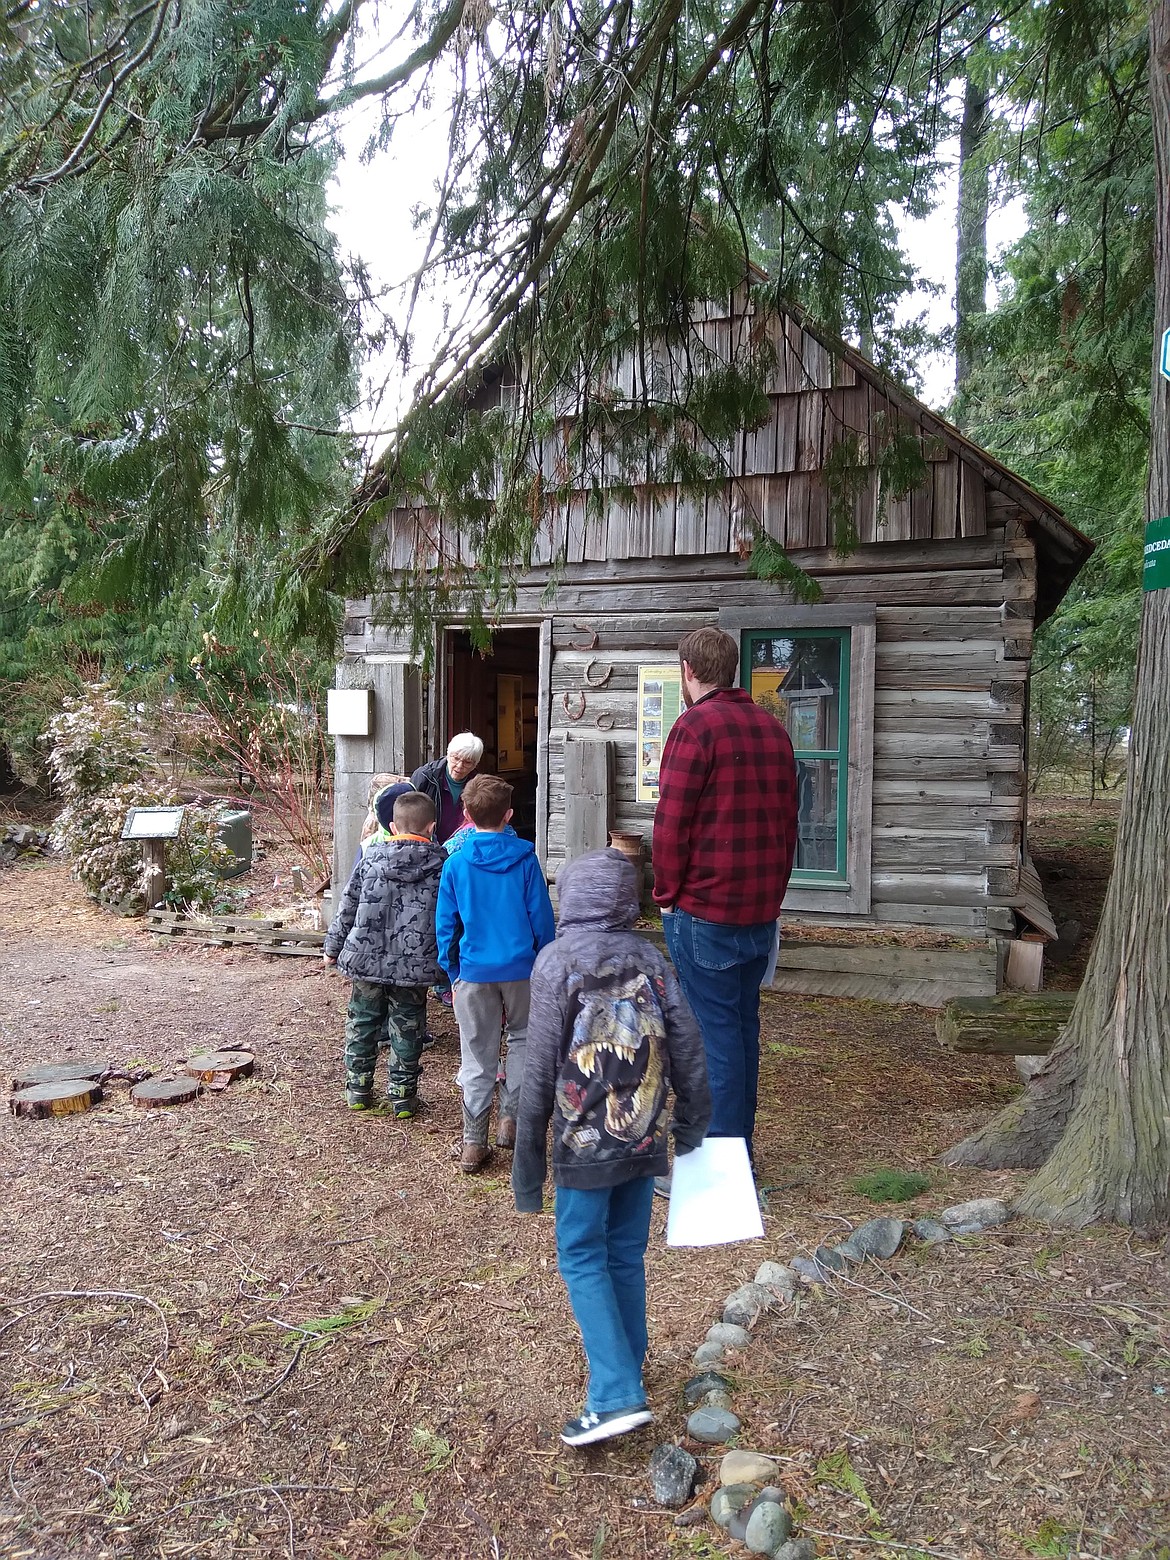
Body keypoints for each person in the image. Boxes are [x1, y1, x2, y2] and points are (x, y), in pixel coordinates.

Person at [512, 848, 710, 1447]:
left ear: (570, 897)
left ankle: (616, 1393)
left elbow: (538, 1070)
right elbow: (690, 1046)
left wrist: (529, 1164)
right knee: (624, 1254)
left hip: (584, 1145)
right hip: (645, 1135)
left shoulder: (556, 962)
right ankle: (628, 1363)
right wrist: (691, 1125)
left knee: (579, 1254)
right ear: (631, 897)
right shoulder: (652, 957)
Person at [652, 626, 798, 1169]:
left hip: (704, 910)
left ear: (687, 671)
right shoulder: (772, 729)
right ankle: (737, 1157)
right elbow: (790, 822)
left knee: (713, 1038)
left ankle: (719, 1168)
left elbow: (670, 825)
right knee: (739, 1032)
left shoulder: (693, 728)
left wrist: (665, 895)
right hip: (760, 909)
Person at [436, 773, 555, 1173]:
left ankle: (473, 1142)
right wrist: (543, 960)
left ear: (466, 814)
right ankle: (510, 1120)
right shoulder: (525, 859)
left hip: (473, 969)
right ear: (508, 815)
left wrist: (451, 969)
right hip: (522, 968)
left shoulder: (455, 863)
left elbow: (446, 926)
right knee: (523, 1039)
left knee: (476, 1052)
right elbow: (541, 917)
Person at [323, 790, 445, 1116]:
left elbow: (346, 908)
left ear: (391, 825)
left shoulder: (370, 860)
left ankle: (358, 1089)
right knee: (408, 1026)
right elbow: (450, 918)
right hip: (414, 965)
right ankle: (402, 1094)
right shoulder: (442, 865)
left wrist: (332, 948)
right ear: (431, 827)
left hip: (366, 959)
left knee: (362, 1021)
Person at [411, 733, 484, 846]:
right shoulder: (425, 776)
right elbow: (409, 814)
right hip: (427, 846)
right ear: (448, 754)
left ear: (475, 764)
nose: (459, 766)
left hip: (462, 847)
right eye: (456, 758)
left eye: (467, 762)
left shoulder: (478, 784)